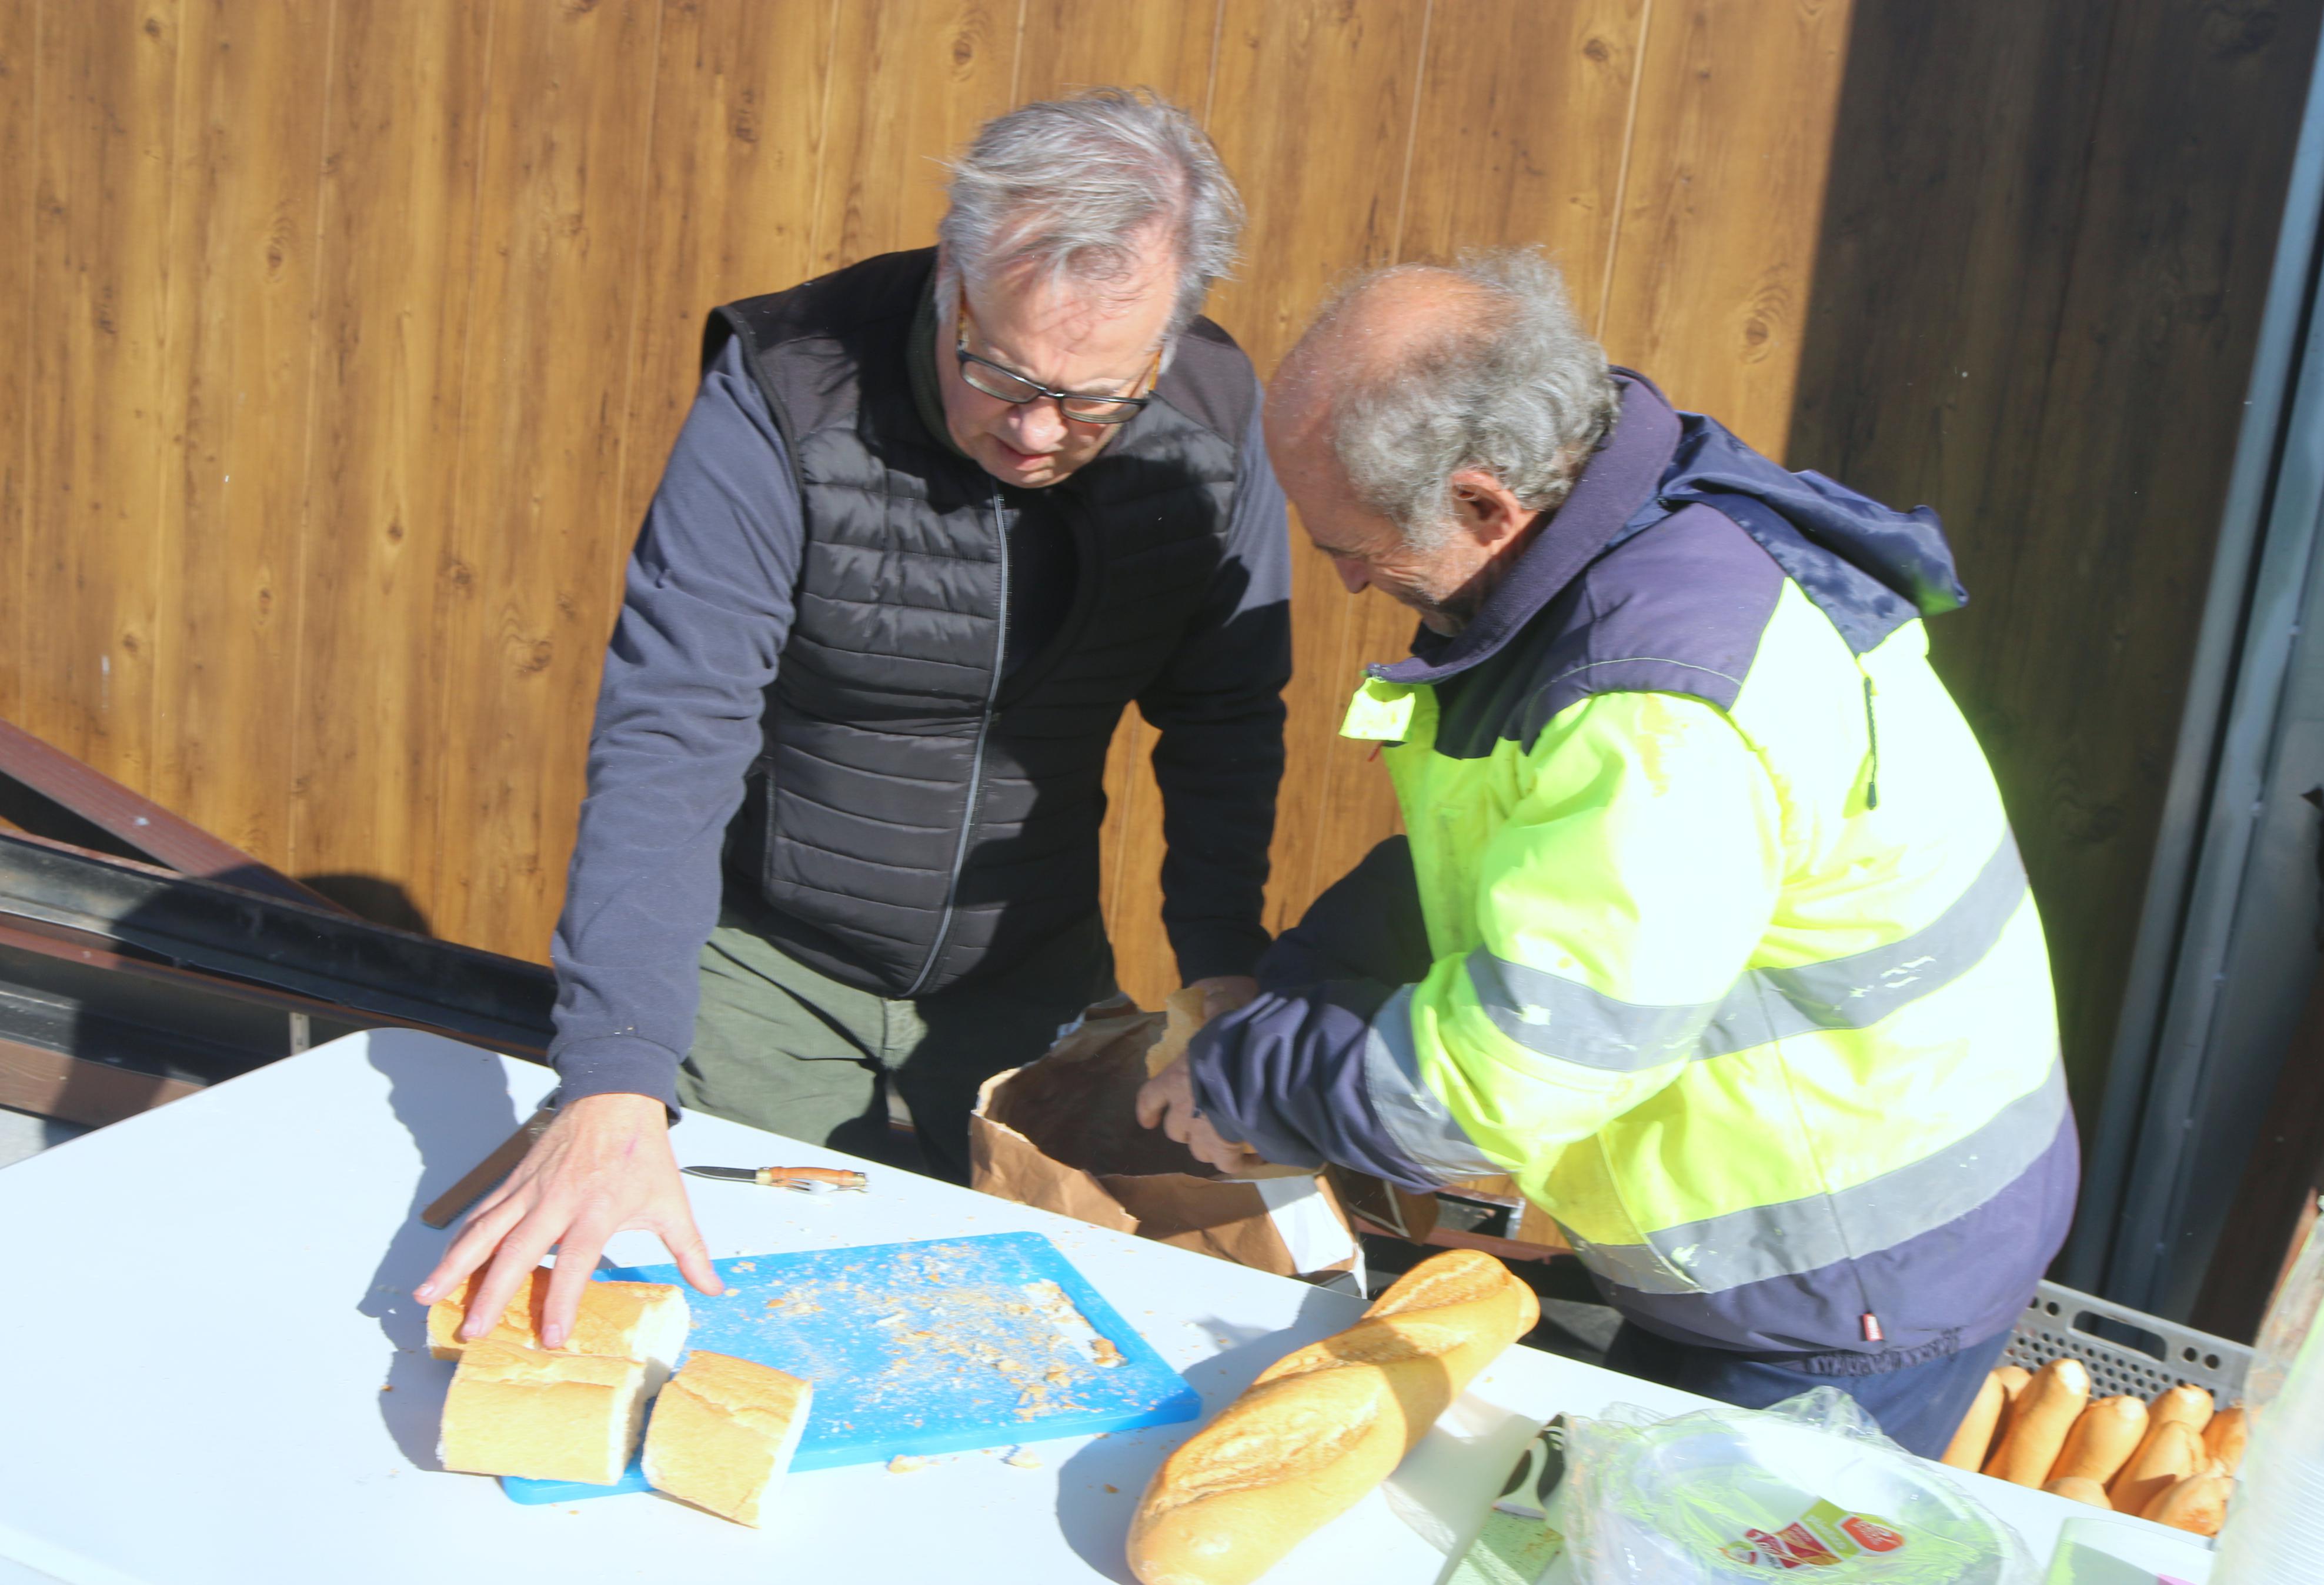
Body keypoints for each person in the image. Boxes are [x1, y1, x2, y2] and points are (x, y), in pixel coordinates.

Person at [1138, 252, 2075, 1457]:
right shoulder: (1616, 524)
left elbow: (1495, 1085)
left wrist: (1246, 1073)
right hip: (1786, 1228)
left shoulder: (1652, 699)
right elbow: (1519, 851)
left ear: (1484, 502)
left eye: (1350, 548)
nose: (1352, 580)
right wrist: (1298, 977)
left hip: (1838, 1276)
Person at [421, 89, 1290, 1349]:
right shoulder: (788, 382)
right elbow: (677, 722)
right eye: (1005, 372)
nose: (1041, 432)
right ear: (953, 272)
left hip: (1029, 967)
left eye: (1096, 399)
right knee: (711, 1330)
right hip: (767, 962)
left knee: (1057, 1342)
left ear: (1171, 335)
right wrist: (614, 1078)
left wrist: (1223, 975)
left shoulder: (1210, 419)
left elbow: (1223, 714)